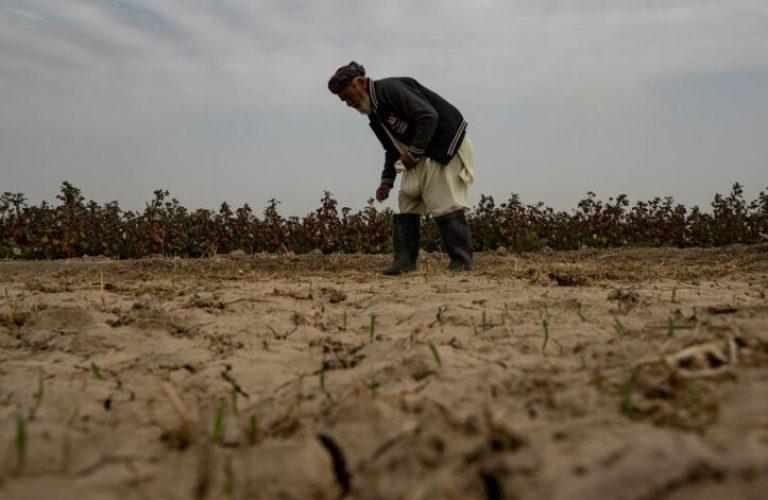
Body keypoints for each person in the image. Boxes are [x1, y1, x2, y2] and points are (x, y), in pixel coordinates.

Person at [328, 61, 475, 275]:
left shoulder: (389, 89)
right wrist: (386, 182)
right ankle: (404, 263)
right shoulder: (374, 112)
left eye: (348, 96)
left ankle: (462, 262)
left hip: (444, 145)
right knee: (408, 198)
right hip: (420, 153)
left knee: (444, 201)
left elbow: (428, 116)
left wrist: (414, 152)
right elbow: (391, 149)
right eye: (343, 100)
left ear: (360, 83)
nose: (348, 103)